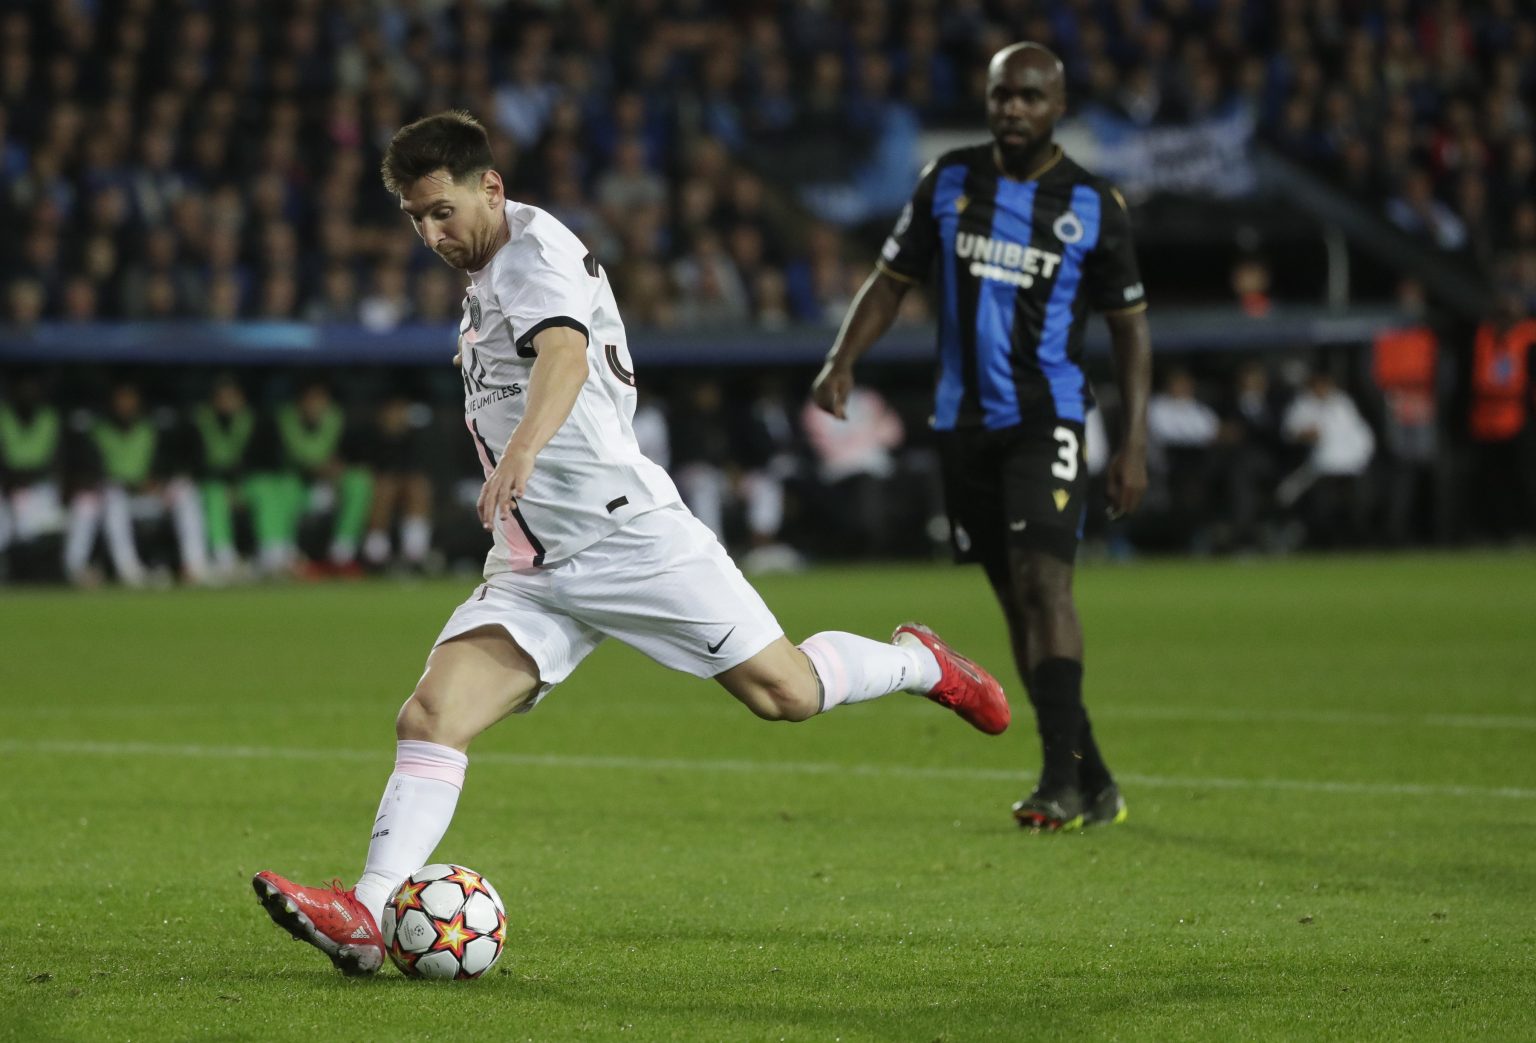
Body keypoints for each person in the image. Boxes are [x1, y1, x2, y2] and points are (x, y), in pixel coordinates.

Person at [252, 110, 1010, 976]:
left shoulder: (533, 252)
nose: (431, 234)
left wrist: (523, 450)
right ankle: (367, 911)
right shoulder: (488, 271)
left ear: (490, 188)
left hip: (629, 536)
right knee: (429, 716)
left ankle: (918, 661)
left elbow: (564, 356)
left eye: (442, 211)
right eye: (416, 218)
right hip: (535, 564)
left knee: (788, 693)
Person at [812, 43, 1152, 832]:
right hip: (962, 424)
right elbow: (892, 280)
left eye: (1029, 97)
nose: (1013, 109)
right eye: (1002, 96)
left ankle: (1057, 784)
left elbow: (1130, 327)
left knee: (1046, 586)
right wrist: (842, 357)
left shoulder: (1094, 203)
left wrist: (1134, 442)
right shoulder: (948, 181)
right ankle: (1093, 775)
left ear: (1057, 105)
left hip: (1048, 416)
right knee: (1017, 604)